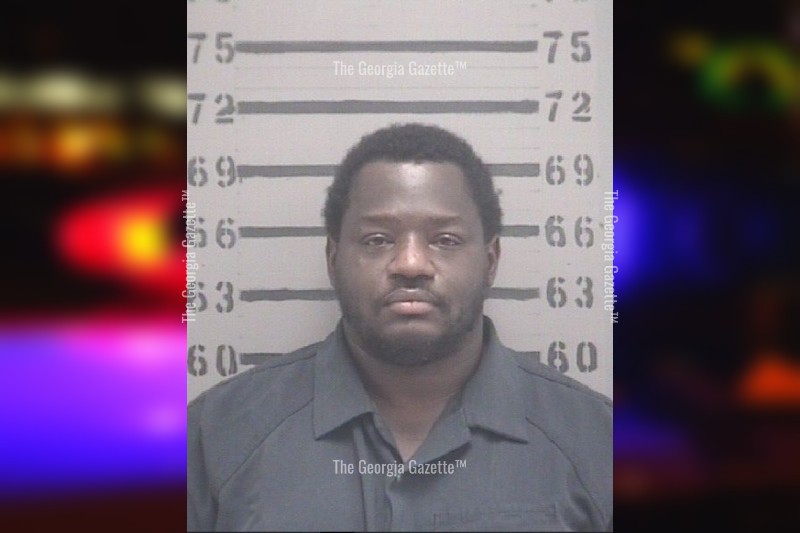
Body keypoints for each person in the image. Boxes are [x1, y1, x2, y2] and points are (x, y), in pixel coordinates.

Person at [187, 123, 612, 531]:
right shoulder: (216, 436)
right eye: (378, 240)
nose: (410, 264)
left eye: (445, 240)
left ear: (490, 261)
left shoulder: (598, 440)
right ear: (333, 260)